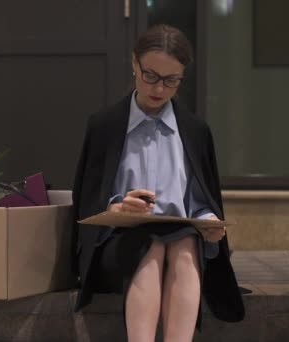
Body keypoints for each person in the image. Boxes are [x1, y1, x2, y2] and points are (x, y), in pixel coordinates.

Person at [72, 24, 245, 341]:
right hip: (118, 243)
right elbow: (86, 202)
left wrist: (209, 224)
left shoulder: (195, 130)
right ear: (134, 64)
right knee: (150, 245)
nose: (159, 88)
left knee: (184, 244)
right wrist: (118, 207)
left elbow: (202, 201)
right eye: (150, 75)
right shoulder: (105, 125)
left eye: (171, 81)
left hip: (181, 241)